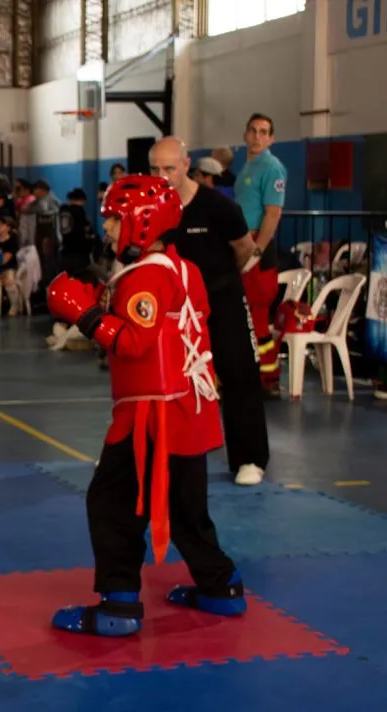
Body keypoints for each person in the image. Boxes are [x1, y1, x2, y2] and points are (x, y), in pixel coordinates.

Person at [46, 174, 246, 637]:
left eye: (115, 220)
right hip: (188, 409)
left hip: (150, 417)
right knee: (186, 508)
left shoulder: (146, 275)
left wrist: (84, 313)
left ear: (142, 221)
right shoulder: (183, 268)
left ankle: (118, 606)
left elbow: (135, 342)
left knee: (112, 502)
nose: (108, 228)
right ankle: (222, 586)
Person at [150, 137, 269, 486]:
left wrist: (218, 282)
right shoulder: (153, 208)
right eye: (155, 169)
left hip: (222, 297)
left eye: (169, 168)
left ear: (187, 165)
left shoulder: (218, 207)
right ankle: (163, 453)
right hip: (177, 307)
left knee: (239, 372)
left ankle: (250, 458)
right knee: (166, 380)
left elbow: (245, 249)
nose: (162, 176)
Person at [234, 113, 288, 397]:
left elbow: (273, 213)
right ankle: (253, 374)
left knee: (257, 316)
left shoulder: (272, 167)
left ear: (271, 139)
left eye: (263, 132)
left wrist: (257, 249)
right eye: (253, 130)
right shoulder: (247, 167)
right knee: (245, 317)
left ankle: (269, 378)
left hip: (257, 248)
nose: (257, 136)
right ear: (245, 135)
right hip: (243, 244)